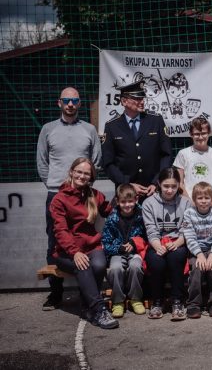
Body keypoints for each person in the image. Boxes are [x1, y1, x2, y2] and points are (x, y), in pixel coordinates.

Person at [37, 87, 102, 311]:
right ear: (59, 103)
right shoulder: (48, 129)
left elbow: (96, 160)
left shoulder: (89, 129)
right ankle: (56, 294)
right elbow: (42, 161)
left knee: (84, 236)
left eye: (74, 100)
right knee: (54, 241)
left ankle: (88, 292)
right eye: (66, 101)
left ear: (80, 103)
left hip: (83, 194)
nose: (70, 104)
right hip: (56, 192)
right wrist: (54, 184)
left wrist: (84, 184)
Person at [49, 158, 117, 329]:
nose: (82, 176)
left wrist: (128, 201)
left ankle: (87, 308)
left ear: (91, 177)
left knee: (99, 265)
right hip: (66, 252)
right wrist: (75, 252)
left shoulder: (95, 195)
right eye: (79, 171)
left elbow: (110, 211)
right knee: (83, 266)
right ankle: (100, 310)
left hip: (92, 246)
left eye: (86, 173)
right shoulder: (59, 199)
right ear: (71, 172)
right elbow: (60, 231)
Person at [102, 79, 172, 199]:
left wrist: (157, 181)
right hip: (126, 193)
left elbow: (166, 155)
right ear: (124, 101)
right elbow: (108, 162)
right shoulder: (112, 126)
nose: (142, 101)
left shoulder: (156, 121)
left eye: (142, 98)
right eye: (137, 98)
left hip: (153, 190)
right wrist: (126, 183)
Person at [142, 167, 192, 320]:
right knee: (156, 261)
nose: (170, 190)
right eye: (166, 186)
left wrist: (178, 242)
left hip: (178, 241)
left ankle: (177, 301)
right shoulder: (149, 203)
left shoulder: (186, 203)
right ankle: (157, 302)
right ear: (159, 184)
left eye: (173, 186)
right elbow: (151, 229)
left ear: (179, 185)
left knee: (176, 257)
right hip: (157, 242)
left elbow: (187, 228)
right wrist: (158, 246)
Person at [180, 182, 212, 319]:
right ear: (194, 199)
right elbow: (189, 237)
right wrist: (199, 255)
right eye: (200, 198)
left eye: (207, 198)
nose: (203, 201)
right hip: (196, 251)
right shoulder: (189, 213)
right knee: (197, 269)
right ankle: (194, 303)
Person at [101, 184, 147, 318]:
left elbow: (148, 237)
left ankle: (135, 299)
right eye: (123, 202)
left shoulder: (142, 216)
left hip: (135, 252)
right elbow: (105, 243)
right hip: (117, 253)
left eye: (130, 201)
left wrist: (135, 243)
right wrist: (118, 248)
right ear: (117, 201)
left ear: (136, 199)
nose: (127, 205)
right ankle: (118, 301)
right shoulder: (112, 219)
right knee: (115, 268)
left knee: (136, 266)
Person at [173, 116, 212, 203]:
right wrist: (189, 202)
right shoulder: (183, 154)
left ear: (209, 133)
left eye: (203, 133)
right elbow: (179, 182)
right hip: (189, 203)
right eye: (196, 134)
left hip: (210, 203)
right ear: (191, 134)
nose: (200, 137)